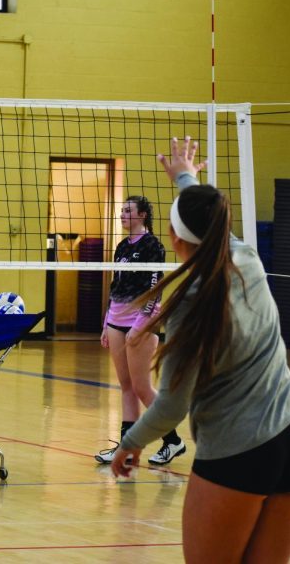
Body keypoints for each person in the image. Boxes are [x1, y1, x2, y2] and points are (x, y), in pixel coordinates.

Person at [111, 137, 290, 563]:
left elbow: (172, 405)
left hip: (240, 454)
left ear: (171, 237)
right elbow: (208, 219)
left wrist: (131, 441)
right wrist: (185, 176)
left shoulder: (190, 305)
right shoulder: (247, 260)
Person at [95, 196, 185, 466]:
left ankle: (173, 441)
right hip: (116, 321)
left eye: (128, 211)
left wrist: (139, 326)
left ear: (142, 215)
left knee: (142, 387)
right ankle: (127, 448)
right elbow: (115, 287)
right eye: (121, 210)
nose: (122, 215)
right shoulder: (121, 246)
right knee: (126, 387)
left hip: (141, 321)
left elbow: (155, 292)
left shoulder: (153, 247)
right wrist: (105, 324)